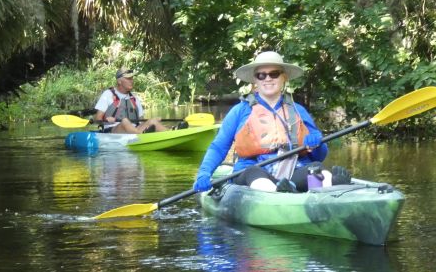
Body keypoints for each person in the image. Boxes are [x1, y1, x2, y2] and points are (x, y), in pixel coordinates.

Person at [192, 51, 351, 193]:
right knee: (253, 173)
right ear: (255, 80)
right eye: (261, 75)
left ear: (284, 77)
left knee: (315, 169)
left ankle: (333, 185)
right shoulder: (240, 111)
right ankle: (279, 192)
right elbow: (219, 147)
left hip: (294, 169)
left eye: (274, 74)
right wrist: (205, 173)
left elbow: (320, 154)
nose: (268, 79)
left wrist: (317, 144)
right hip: (254, 172)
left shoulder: (298, 110)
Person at [93, 68, 168, 134]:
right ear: (119, 81)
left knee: (153, 121)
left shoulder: (134, 98)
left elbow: (141, 120)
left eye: (132, 78)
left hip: (134, 129)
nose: (131, 81)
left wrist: (149, 123)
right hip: (113, 130)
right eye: (128, 79)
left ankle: (172, 132)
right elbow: (98, 118)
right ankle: (141, 136)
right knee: (125, 121)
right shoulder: (108, 94)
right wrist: (106, 120)